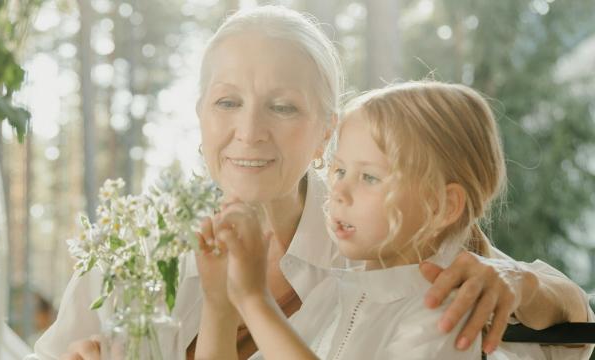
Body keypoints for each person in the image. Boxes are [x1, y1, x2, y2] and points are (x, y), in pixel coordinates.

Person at [40, 6, 592, 360]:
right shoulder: (140, 246)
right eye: (227, 102)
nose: (248, 132)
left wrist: (523, 284)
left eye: (282, 107)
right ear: (201, 115)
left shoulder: (379, 233)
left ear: (328, 129)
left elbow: (570, 339)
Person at [195, 81, 594, 359]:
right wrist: (219, 299)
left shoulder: (442, 314)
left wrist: (254, 301)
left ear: (442, 206)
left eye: (369, 177)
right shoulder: (335, 294)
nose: (338, 192)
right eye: (338, 171)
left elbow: (572, 317)